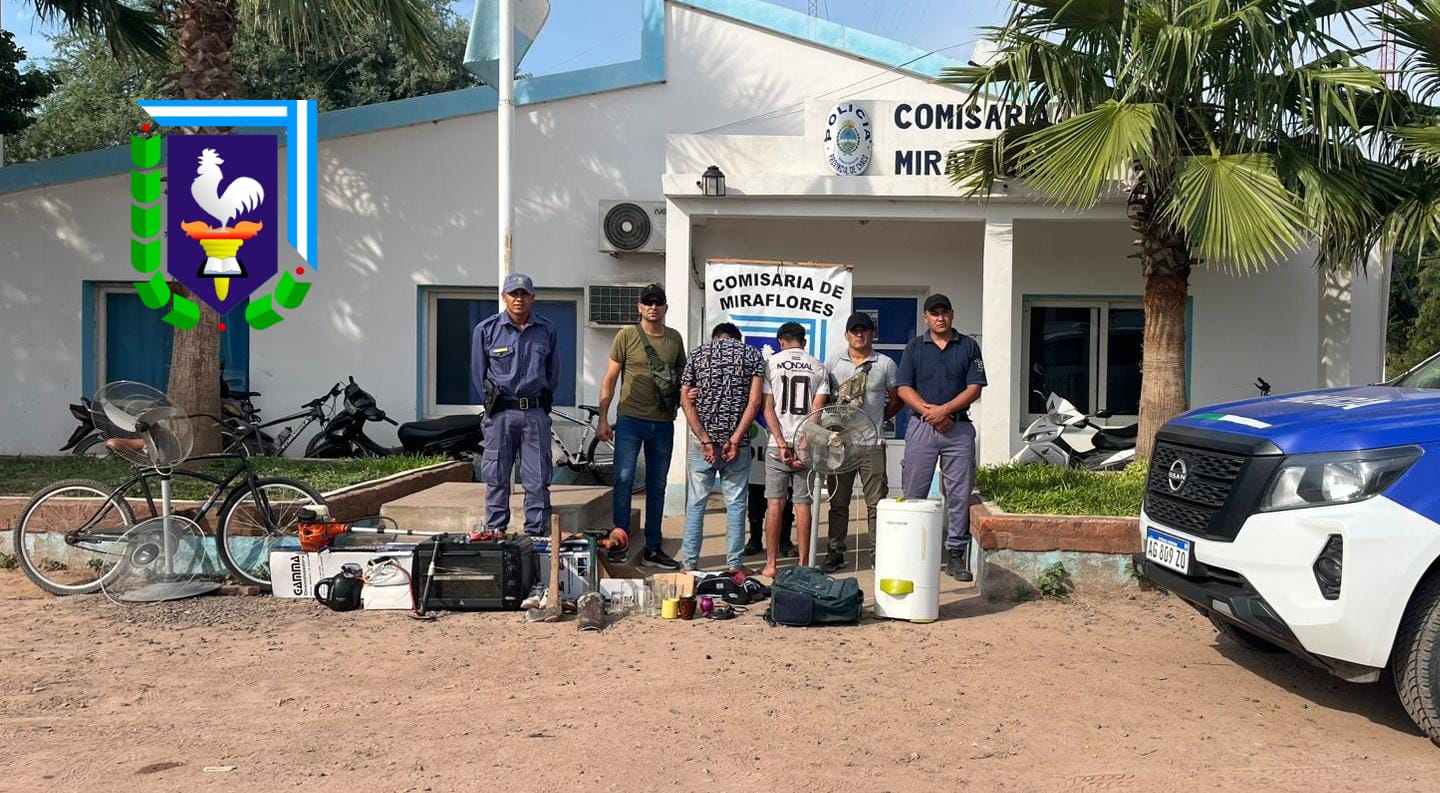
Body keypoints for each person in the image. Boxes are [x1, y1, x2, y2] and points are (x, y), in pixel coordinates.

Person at [896, 293, 986, 581]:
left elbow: (975, 387)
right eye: (934, 313)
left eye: (944, 312)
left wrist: (945, 410)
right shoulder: (914, 347)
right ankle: (911, 551)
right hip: (923, 426)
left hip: (958, 428)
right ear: (926, 317)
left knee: (959, 493)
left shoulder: (969, 346)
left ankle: (956, 555)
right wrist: (930, 412)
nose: (940, 317)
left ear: (952, 314)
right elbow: (903, 388)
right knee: (914, 491)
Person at [594, 283, 684, 570]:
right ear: (640, 307)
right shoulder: (627, 335)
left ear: (665, 307)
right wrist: (603, 418)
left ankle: (653, 547)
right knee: (623, 478)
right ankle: (621, 541)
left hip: (663, 423)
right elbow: (609, 379)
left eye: (658, 302)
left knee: (657, 486)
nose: (653, 307)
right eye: (648, 302)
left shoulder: (674, 339)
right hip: (631, 420)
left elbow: (682, 379)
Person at [470, 272, 560, 537]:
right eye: (513, 294)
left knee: (538, 478)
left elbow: (553, 373)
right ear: (504, 297)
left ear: (532, 297)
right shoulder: (486, 330)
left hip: (534, 413)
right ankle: (496, 530)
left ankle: (536, 532)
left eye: (524, 294)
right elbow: (479, 375)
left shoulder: (546, 330)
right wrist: (493, 404)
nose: (519, 299)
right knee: (497, 475)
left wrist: (540, 404)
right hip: (501, 415)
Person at [679, 322, 765, 573]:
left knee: (696, 504)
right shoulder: (752, 355)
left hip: (701, 444)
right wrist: (735, 439)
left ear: (715, 338)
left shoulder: (697, 353)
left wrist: (706, 439)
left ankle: (689, 565)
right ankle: (735, 565)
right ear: (737, 339)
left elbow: (685, 400)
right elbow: (755, 402)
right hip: (737, 445)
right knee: (737, 505)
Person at [821, 311, 901, 573]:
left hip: (872, 443)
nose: (859, 334)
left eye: (864, 330)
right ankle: (835, 551)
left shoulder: (885, 364)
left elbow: (896, 398)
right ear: (846, 335)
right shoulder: (833, 362)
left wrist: (878, 419)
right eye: (854, 330)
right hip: (840, 444)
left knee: (877, 503)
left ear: (872, 334)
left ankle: (880, 553)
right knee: (838, 502)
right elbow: (824, 399)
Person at [760, 322, 830, 577]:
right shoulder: (818, 366)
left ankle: (770, 564)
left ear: (781, 341)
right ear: (804, 341)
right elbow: (817, 412)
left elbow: (766, 407)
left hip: (776, 445)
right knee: (803, 505)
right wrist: (802, 446)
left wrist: (780, 441)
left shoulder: (770, 364)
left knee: (775, 504)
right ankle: (803, 563)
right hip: (805, 446)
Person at [744, 422, 795, 559]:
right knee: (755, 504)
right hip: (757, 459)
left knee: (785, 504)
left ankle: (785, 541)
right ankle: (755, 540)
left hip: (781, 447)